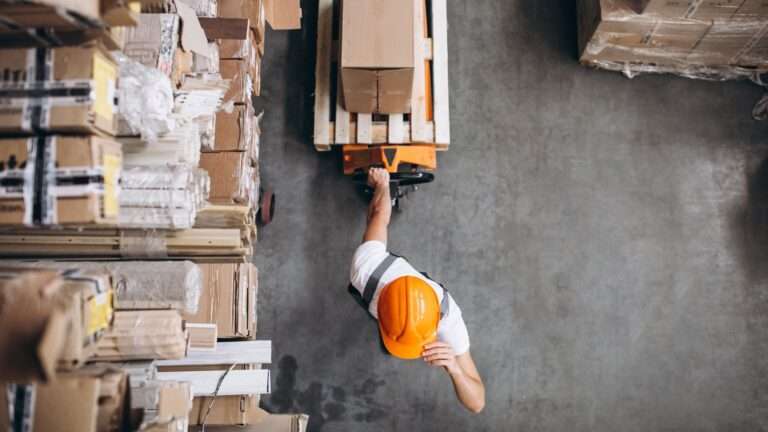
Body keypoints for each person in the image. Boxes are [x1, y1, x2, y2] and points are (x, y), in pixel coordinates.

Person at [348, 167, 486, 414]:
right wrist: (383, 186)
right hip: (383, 296)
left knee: (375, 226)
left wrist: (454, 367)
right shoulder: (366, 270)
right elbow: (378, 214)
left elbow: (477, 403)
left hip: (386, 295)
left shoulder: (449, 322)